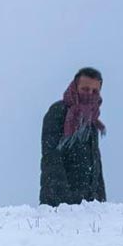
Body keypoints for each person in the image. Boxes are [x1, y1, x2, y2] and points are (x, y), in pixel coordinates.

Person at [40, 67, 107, 206]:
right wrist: (64, 201)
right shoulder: (58, 112)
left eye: (94, 91)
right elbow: (51, 157)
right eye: (85, 89)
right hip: (59, 206)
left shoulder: (91, 121)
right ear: (75, 87)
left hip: (89, 206)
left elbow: (95, 164)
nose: (90, 94)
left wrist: (101, 201)